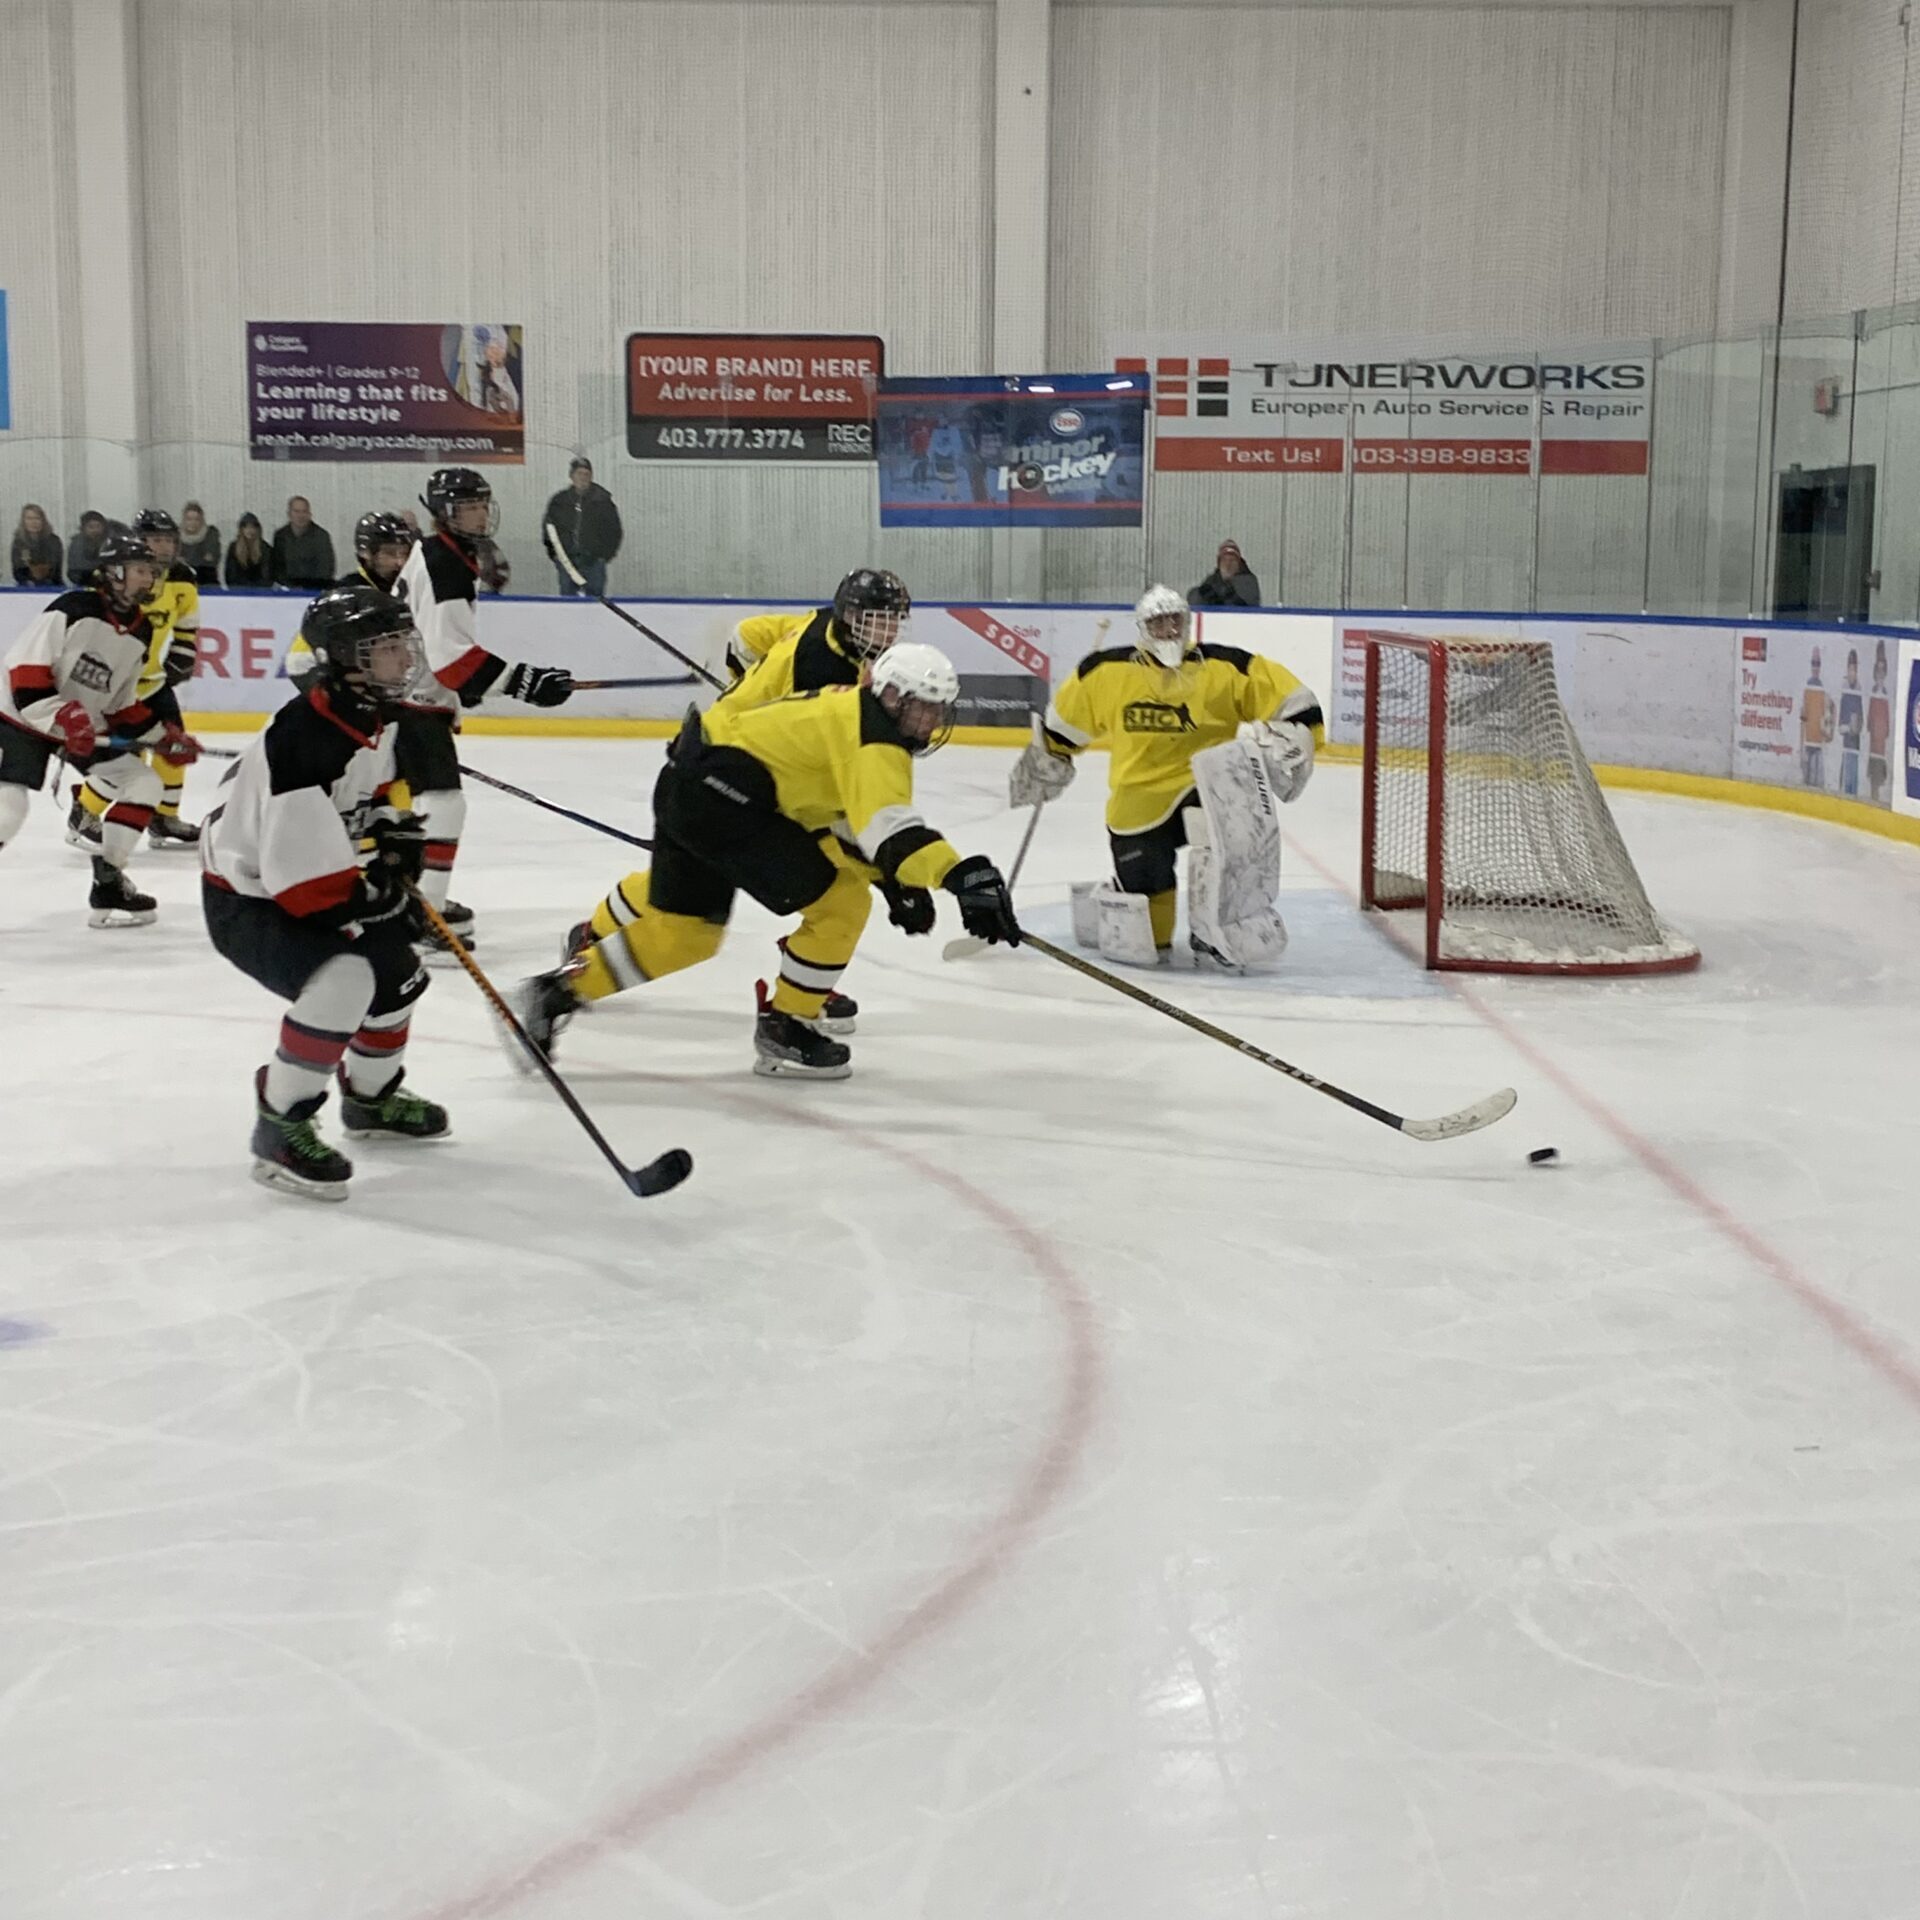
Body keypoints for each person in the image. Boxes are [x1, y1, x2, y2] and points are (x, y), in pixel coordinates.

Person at [511, 642, 1019, 1080]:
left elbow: (841, 821)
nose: (930, 721)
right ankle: (788, 1024)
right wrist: (959, 873)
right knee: (841, 904)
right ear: (890, 694)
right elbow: (890, 830)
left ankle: (553, 991)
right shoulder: (874, 740)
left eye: (937, 709)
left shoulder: (855, 712)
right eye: (920, 708)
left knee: (687, 933)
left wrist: (892, 879)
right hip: (728, 803)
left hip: (692, 784)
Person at [201, 586, 448, 1201]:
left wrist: (393, 828)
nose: (403, 657)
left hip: (306, 879)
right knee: (344, 981)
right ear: (344, 659)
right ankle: (280, 1124)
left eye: (402, 644)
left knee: (398, 973)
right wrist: (380, 898)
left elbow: (383, 784)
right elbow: (305, 890)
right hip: (250, 897)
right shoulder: (303, 744)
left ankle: (370, 1100)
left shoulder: (372, 711)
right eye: (386, 648)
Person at [1010, 585, 1322, 971]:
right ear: (1142, 628)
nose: (1169, 629)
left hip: (1204, 788)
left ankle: (1214, 930)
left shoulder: (1225, 666)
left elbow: (1297, 703)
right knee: (1149, 938)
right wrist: (1047, 762)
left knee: (1218, 831)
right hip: (1138, 798)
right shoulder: (1105, 672)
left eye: (1176, 620)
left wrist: (1295, 739)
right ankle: (1115, 898)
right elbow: (1061, 732)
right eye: (1158, 622)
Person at [397, 466, 575, 959]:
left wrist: (478, 689)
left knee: (406, 810)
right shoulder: (444, 563)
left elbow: (446, 653)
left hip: (411, 697)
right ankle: (423, 915)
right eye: (465, 507)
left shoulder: (450, 554)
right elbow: (452, 660)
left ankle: (410, 902)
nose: (477, 515)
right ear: (443, 514)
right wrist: (525, 682)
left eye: (481, 504)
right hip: (410, 703)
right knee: (443, 804)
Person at [0, 531, 175, 928]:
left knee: (143, 784)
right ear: (114, 572)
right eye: (140, 570)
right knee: (8, 810)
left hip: (80, 725)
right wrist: (64, 716)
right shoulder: (74, 607)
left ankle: (110, 882)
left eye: (151, 571)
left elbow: (119, 704)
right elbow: (25, 671)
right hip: (21, 718)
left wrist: (163, 738)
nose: (149, 578)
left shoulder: (141, 631)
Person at [723, 568, 909, 698]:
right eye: (883, 621)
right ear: (851, 616)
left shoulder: (831, 624)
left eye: (895, 620)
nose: (891, 632)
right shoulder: (819, 669)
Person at [541, 457, 624, 597]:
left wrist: (604, 556)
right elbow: (549, 529)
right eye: (579, 473)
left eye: (587, 474)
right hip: (567, 564)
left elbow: (615, 531)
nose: (583, 477)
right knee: (568, 605)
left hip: (594, 563)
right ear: (571, 476)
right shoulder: (559, 501)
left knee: (596, 604)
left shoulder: (603, 501)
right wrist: (555, 555)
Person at [271, 497, 336, 590]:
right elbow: (277, 566)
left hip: (314, 589)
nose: (301, 515)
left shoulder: (321, 536)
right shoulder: (280, 536)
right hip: (287, 589)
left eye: (304, 511)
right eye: (296, 511)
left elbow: (326, 568)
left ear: (310, 514)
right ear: (289, 514)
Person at [1189, 539, 1261, 607]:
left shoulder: (1248, 582)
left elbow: (1247, 607)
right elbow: (1197, 601)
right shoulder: (1212, 580)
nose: (1228, 564)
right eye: (1224, 560)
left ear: (1239, 564)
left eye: (1232, 560)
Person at [1800, 646, 1832, 789]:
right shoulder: (1807, 688)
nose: (1815, 667)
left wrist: (1828, 733)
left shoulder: (1824, 691)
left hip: (1819, 747)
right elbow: (1803, 719)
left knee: (1818, 784)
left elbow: (1831, 712)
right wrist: (1801, 748)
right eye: (1813, 663)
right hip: (1808, 746)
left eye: (1818, 663)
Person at [1867, 641, 1892, 805]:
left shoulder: (1886, 695)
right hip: (1873, 746)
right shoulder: (1873, 694)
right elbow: (1869, 722)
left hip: (1881, 746)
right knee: (1873, 780)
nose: (1880, 673)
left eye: (1883, 669)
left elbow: (1888, 726)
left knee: (1879, 778)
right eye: (1878, 669)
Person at [1838, 649, 1865, 798]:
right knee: (1846, 781)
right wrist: (1849, 727)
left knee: (1853, 783)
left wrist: (1857, 727)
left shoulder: (1859, 694)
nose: (1852, 672)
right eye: (1850, 669)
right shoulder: (1845, 694)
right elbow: (1839, 726)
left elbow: (1862, 720)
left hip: (1856, 746)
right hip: (1846, 746)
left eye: (1854, 669)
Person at [177, 502, 221, 585]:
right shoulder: (176, 536)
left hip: (207, 582)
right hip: (182, 583)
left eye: (196, 519)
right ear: (184, 520)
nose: (193, 523)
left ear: (202, 520)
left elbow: (211, 562)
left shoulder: (211, 535)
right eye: (189, 519)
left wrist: (185, 561)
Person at [225, 512, 272, 587]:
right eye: (246, 527)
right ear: (241, 530)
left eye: (253, 527)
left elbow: (267, 576)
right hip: (239, 591)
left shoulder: (265, 548)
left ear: (258, 529)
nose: (250, 530)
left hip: (260, 592)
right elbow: (230, 576)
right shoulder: (233, 548)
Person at [66, 510, 109, 586]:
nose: (95, 530)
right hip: (82, 578)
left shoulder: (109, 541)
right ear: (83, 528)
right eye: (91, 527)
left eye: (98, 526)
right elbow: (78, 566)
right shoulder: (77, 542)